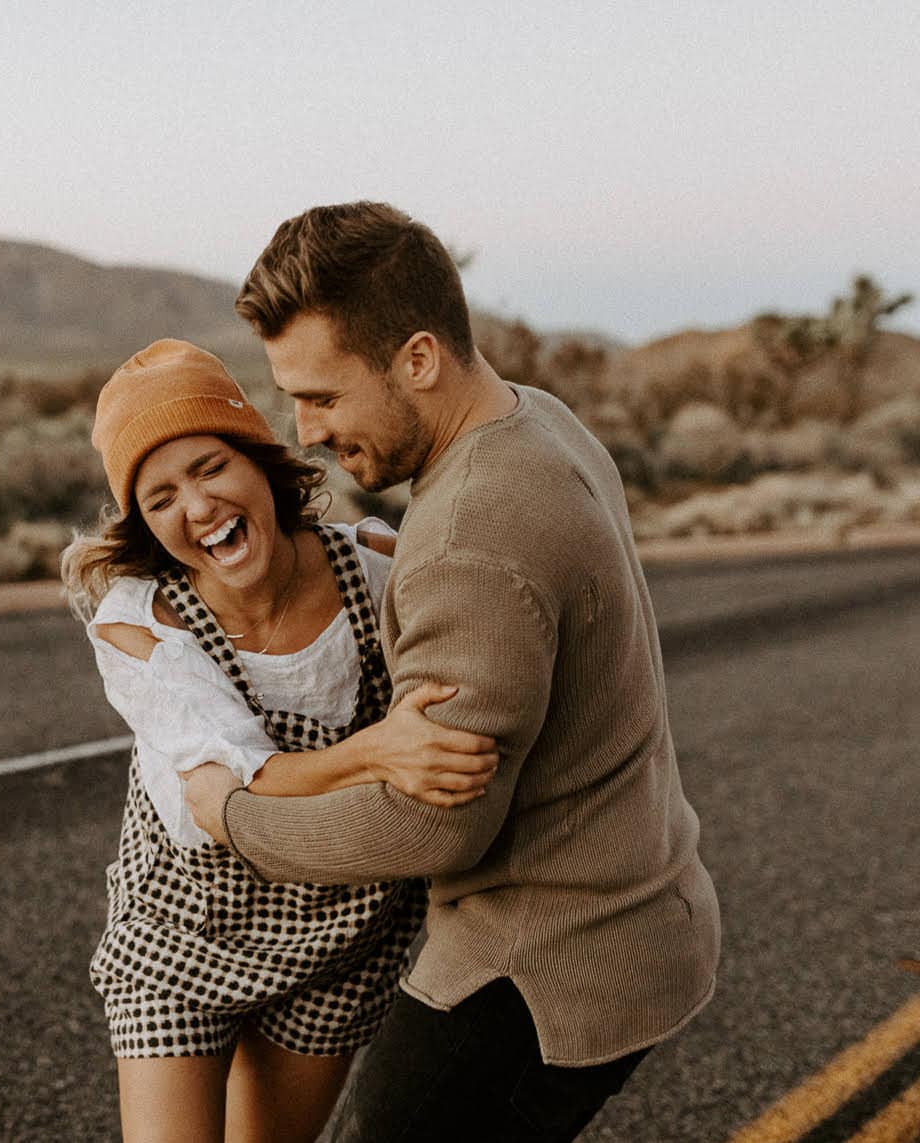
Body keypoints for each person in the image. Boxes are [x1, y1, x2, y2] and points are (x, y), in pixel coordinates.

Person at [182, 201, 722, 1142]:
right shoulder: (536, 418)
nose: (304, 431)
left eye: (323, 396)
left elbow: (436, 819)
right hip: (641, 904)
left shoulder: (469, 535)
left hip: (544, 961)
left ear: (418, 360)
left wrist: (237, 818)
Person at [62, 338, 501, 1143]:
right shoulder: (139, 624)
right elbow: (229, 785)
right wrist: (377, 750)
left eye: (208, 468)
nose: (196, 509)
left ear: (261, 461)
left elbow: (479, 630)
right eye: (159, 499)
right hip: (184, 930)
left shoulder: (372, 566)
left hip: (345, 930)